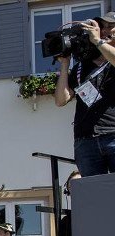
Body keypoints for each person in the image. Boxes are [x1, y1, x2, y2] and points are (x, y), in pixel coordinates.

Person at [54, 14, 115, 176]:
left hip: (113, 135)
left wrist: (97, 41)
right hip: (85, 140)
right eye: (103, 27)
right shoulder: (81, 67)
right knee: (94, 194)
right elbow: (61, 100)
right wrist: (65, 64)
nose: (106, 30)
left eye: (111, 26)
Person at [59, 170, 82, 236]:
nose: (77, 189)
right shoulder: (66, 221)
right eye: (72, 186)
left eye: (80, 184)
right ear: (68, 191)